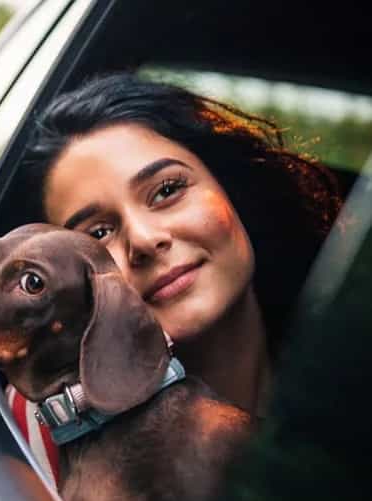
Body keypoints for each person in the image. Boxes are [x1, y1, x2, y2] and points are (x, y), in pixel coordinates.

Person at [22, 72, 341, 417]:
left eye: (167, 190)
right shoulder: (42, 438)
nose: (143, 240)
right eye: (97, 234)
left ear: (228, 187)